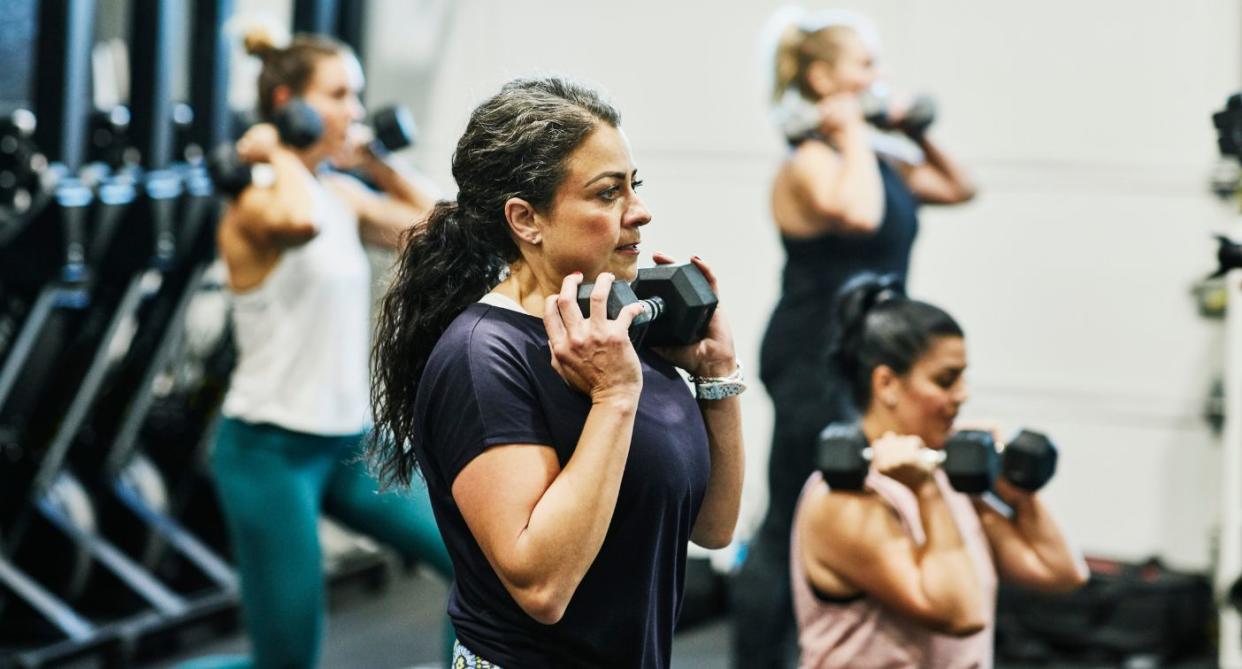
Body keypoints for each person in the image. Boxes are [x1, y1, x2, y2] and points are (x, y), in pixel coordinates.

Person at [367, 76, 746, 668]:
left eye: (635, 186)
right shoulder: (482, 359)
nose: (639, 212)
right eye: (607, 193)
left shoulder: (614, 326)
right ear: (526, 219)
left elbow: (713, 528)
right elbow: (542, 588)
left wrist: (717, 378)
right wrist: (616, 397)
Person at [187, 29, 451, 669]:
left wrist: (377, 164)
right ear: (290, 103)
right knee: (286, 663)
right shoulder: (252, 199)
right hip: (269, 453)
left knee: (481, 562)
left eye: (357, 96)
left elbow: (443, 228)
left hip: (349, 445)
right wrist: (278, 147)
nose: (356, 111)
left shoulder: (338, 194)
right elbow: (295, 223)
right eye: (340, 96)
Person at [732, 9, 977, 666]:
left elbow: (960, 186)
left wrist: (912, 134)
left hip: (870, 357)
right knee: (791, 516)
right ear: (822, 76)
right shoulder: (809, 162)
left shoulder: (883, 161)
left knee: (859, 503)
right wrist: (853, 135)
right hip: (811, 357)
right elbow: (860, 213)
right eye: (866, 66)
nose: (881, 77)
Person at [790, 274, 1087, 668]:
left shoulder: (944, 474)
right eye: (946, 380)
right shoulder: (844, 499)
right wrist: (926, 491)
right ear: (887, 384)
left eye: (963, 377)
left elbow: (1061, 573)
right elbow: (963, 614)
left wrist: (1012, 489)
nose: (962, 395)